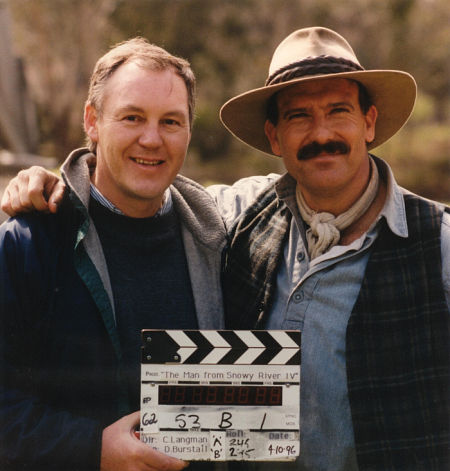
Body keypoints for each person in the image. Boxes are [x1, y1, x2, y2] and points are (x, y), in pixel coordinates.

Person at [2, 27, 449, 471]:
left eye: (339, 111)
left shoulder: (438, 244)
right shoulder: (231, 219)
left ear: (369, 122)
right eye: (132, 117)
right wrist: (92, 449)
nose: (321, 132)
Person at [0, 37, 227, 471]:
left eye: (171, 122)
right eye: (132, 117)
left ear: (189, 131)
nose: (151, 138)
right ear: (92, 121)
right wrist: (93, 449)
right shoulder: (26, 245)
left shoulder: (218, 240)